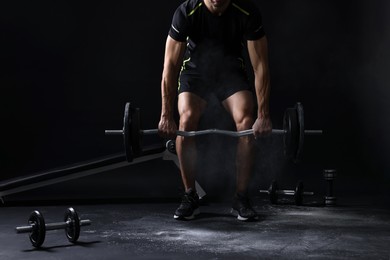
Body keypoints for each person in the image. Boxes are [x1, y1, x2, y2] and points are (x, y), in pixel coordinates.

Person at [158, 0, 272, 221]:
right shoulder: (186, 12)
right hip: (195, 74)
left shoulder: (247, 12)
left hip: (231, 74)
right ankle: (190, 195)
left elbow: (261, 67)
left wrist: (264, 115)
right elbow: (170, 66)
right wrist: (165, 116)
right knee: (186, 121)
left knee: (246, 123)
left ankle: (241, 198)